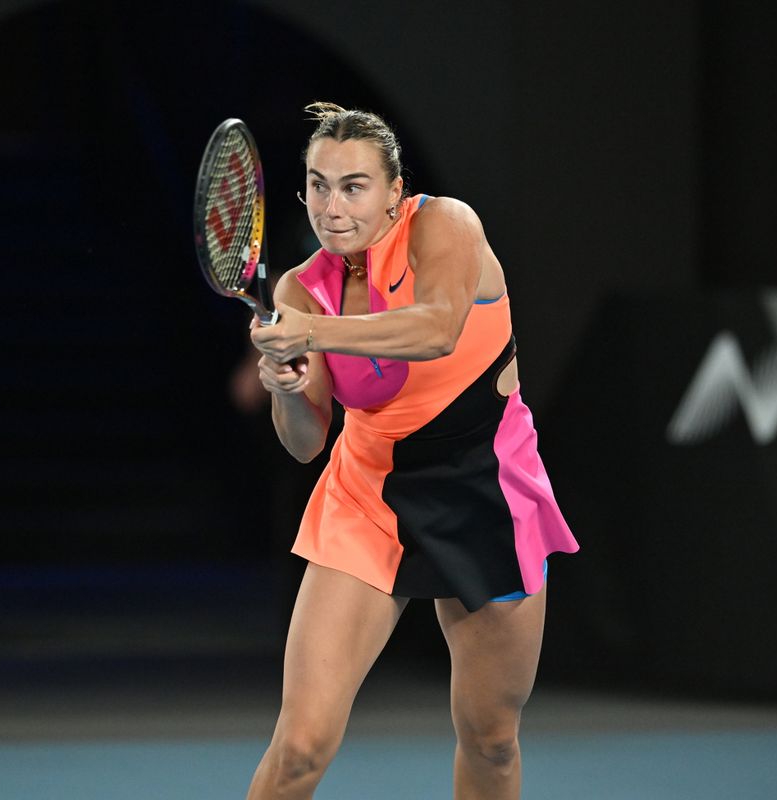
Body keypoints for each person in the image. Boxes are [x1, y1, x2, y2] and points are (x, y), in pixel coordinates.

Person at [246, 102, 579, 799]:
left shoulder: (446, 225)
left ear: (395, 192)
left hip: (488, 489)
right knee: (300, 747)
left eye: (354, 185)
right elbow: (307, 444)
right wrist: (284, 387)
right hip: (368, 496)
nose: (332, 206)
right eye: (317, 184)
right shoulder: (299, 290)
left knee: (490, 739)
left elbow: (436, 329)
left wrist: (313, 337)